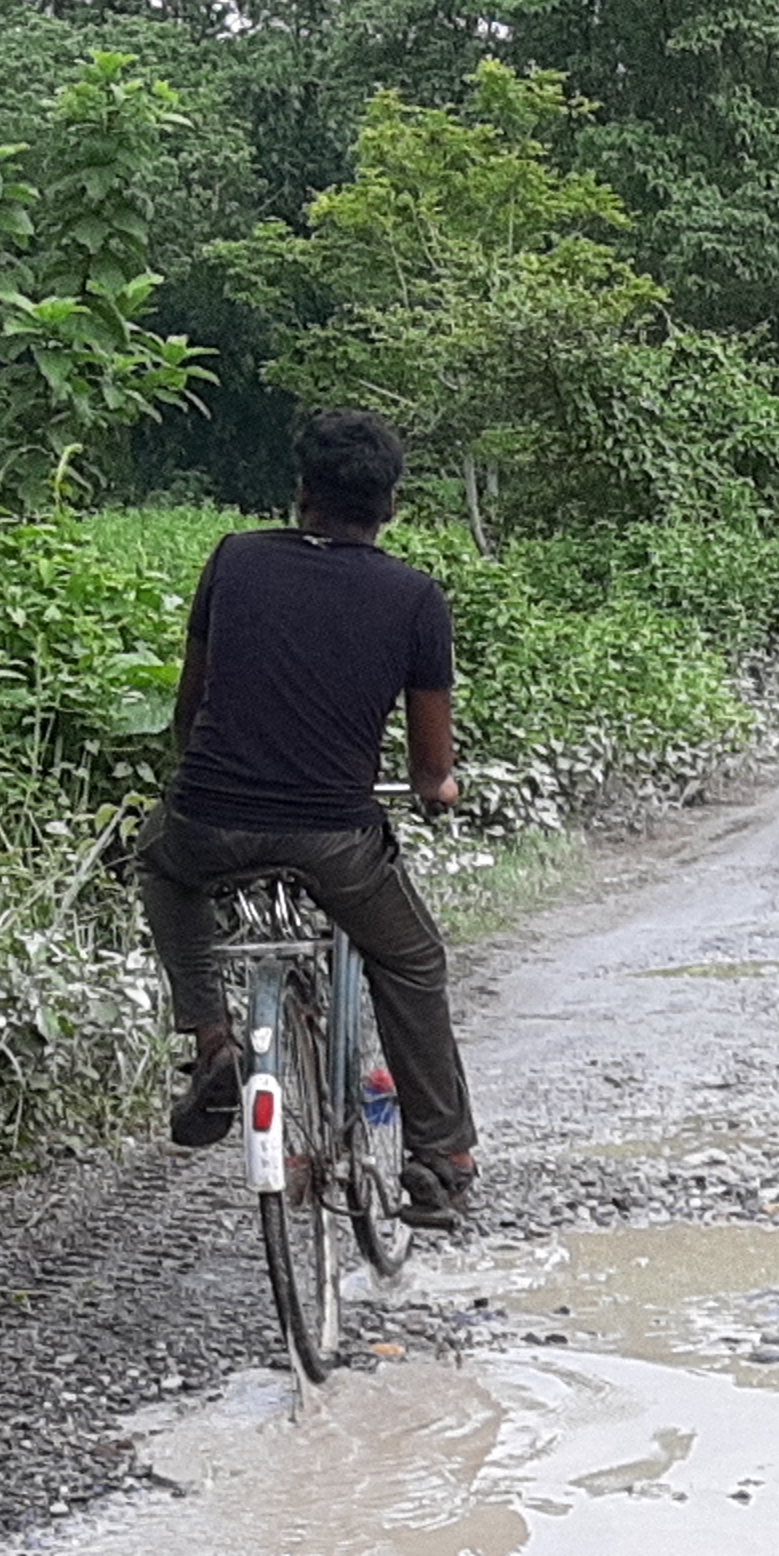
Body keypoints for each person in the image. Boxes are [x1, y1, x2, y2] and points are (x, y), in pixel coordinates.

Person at [137, 409, 478, 1226]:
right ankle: (440, 1159)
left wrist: (205, 773)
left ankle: (213, 1038)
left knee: (162, 859)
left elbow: (193, 701)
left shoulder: (236, 560)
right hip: (336, 837)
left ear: (299, 495)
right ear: (390, 505)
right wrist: (440, 792)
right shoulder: (414, 598)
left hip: (209, 815)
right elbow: (432, 769)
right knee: (413, 962)